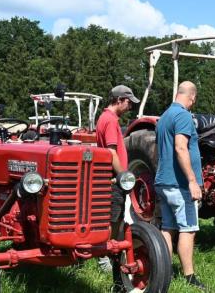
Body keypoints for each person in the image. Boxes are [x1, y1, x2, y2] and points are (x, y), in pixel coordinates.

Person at [155, 81, 205, 289]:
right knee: (188, 229)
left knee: (168, 227)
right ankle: (189, 276)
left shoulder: (164, 116)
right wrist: (193, 181)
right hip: (179, 184)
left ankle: (163, 269)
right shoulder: (183, 116)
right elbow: (181, 148)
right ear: (192, 97)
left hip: (163, 182)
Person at [95, 85, 139, 285]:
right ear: (119, 99)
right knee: (113, 219)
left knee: (113, 216)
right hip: (114, 179)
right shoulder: (111, 121)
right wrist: (123, 176)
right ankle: (106, 255)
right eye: (128, 102)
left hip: (110, 177)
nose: (130, 107)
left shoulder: (104, 118)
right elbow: (111, 152)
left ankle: (106, 253)